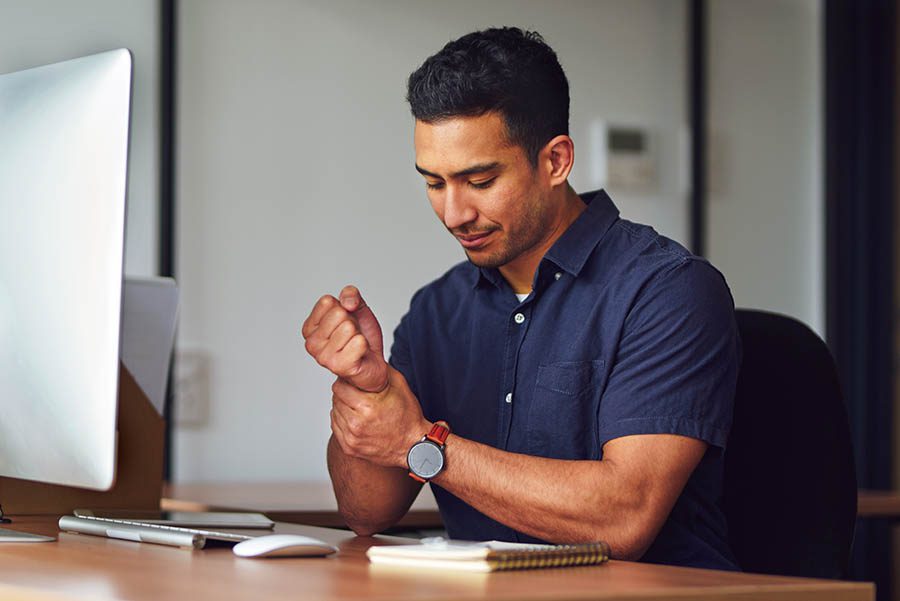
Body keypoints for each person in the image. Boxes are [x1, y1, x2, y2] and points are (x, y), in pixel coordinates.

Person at [301, 27, 740, 570]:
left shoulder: (667, 291)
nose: (453, 213)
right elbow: (366, 513)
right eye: (434, 183)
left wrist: (422, 445)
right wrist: (367, 391)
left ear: (555, 161)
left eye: (480, 181)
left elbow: (622, 519)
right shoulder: (435, 311)